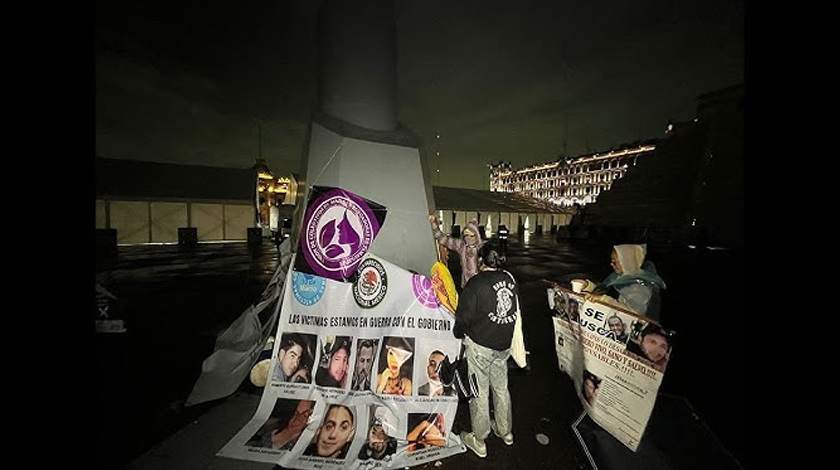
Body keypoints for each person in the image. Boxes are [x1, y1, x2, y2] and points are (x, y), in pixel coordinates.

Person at [453, 240, 518, 458]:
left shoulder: (476, 284)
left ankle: (480, 439)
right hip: (503, 345)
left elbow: (463, 318)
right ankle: (505, 431)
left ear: (481, 260)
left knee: (479, 391)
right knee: (501, 388)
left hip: (481, 346)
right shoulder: (510, 280)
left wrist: (458, 333)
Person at [574, 244, 667, 321]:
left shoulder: (639, 287)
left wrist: (604, 300)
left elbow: (632, 315)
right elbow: (604, 290)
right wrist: (587, 286)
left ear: (626, 262)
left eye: (615, 262)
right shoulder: (619, 277)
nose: (611, 264)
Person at [429, 214, 484, 289]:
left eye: (471, 235)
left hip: (481, 285)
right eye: (466, 235)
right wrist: (433, 223)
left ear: (477, 235)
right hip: (466, 286)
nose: (468, 238)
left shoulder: (483, 248)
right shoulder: (461, 246)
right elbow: (443, 239)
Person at [246, 398, 315, 450]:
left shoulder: (305, 444)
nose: (298, 419)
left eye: (305, 415)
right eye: (295, 413)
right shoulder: (268, 427)